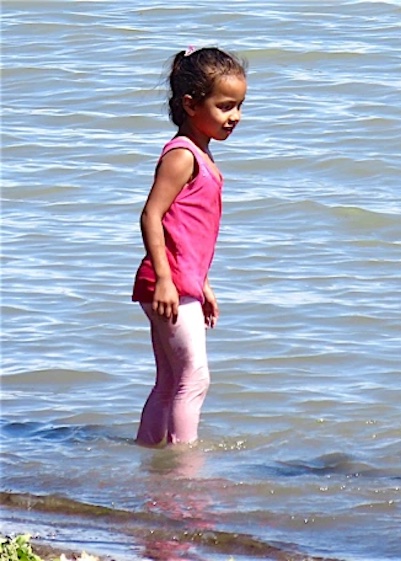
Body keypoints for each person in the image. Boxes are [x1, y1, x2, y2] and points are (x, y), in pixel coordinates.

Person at [132, 47, 247, 446]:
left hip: (181, 280)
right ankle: (184, 467)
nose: (235, 116)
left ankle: (151, 453)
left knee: (170, 380)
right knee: (194, 378)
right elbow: (151, 215)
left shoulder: (201, 151)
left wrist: (203, 284)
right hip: (168, 282)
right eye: (224, 106)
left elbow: (187, 232)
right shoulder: (182, 156)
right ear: (190, 104)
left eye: (239, 106)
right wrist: (166, 280)